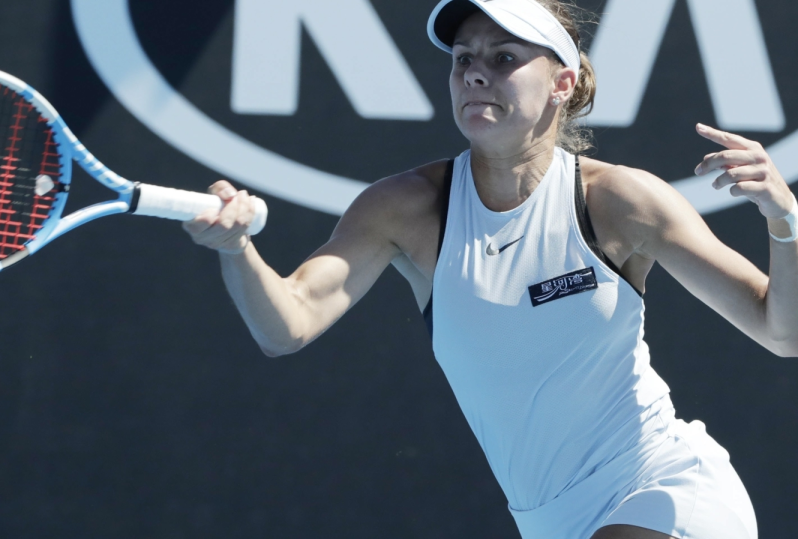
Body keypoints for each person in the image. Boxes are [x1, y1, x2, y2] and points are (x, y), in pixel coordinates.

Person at [183, 0, 798, 537]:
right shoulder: (405, 208)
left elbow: (782, 330)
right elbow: (285, 325)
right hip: (547, 522)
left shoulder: (620, 201)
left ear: (561, 83)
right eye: (462, 59)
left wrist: (785, 217)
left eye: (504, 58)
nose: (475, 71)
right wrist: (237, 250)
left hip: (664, 489)